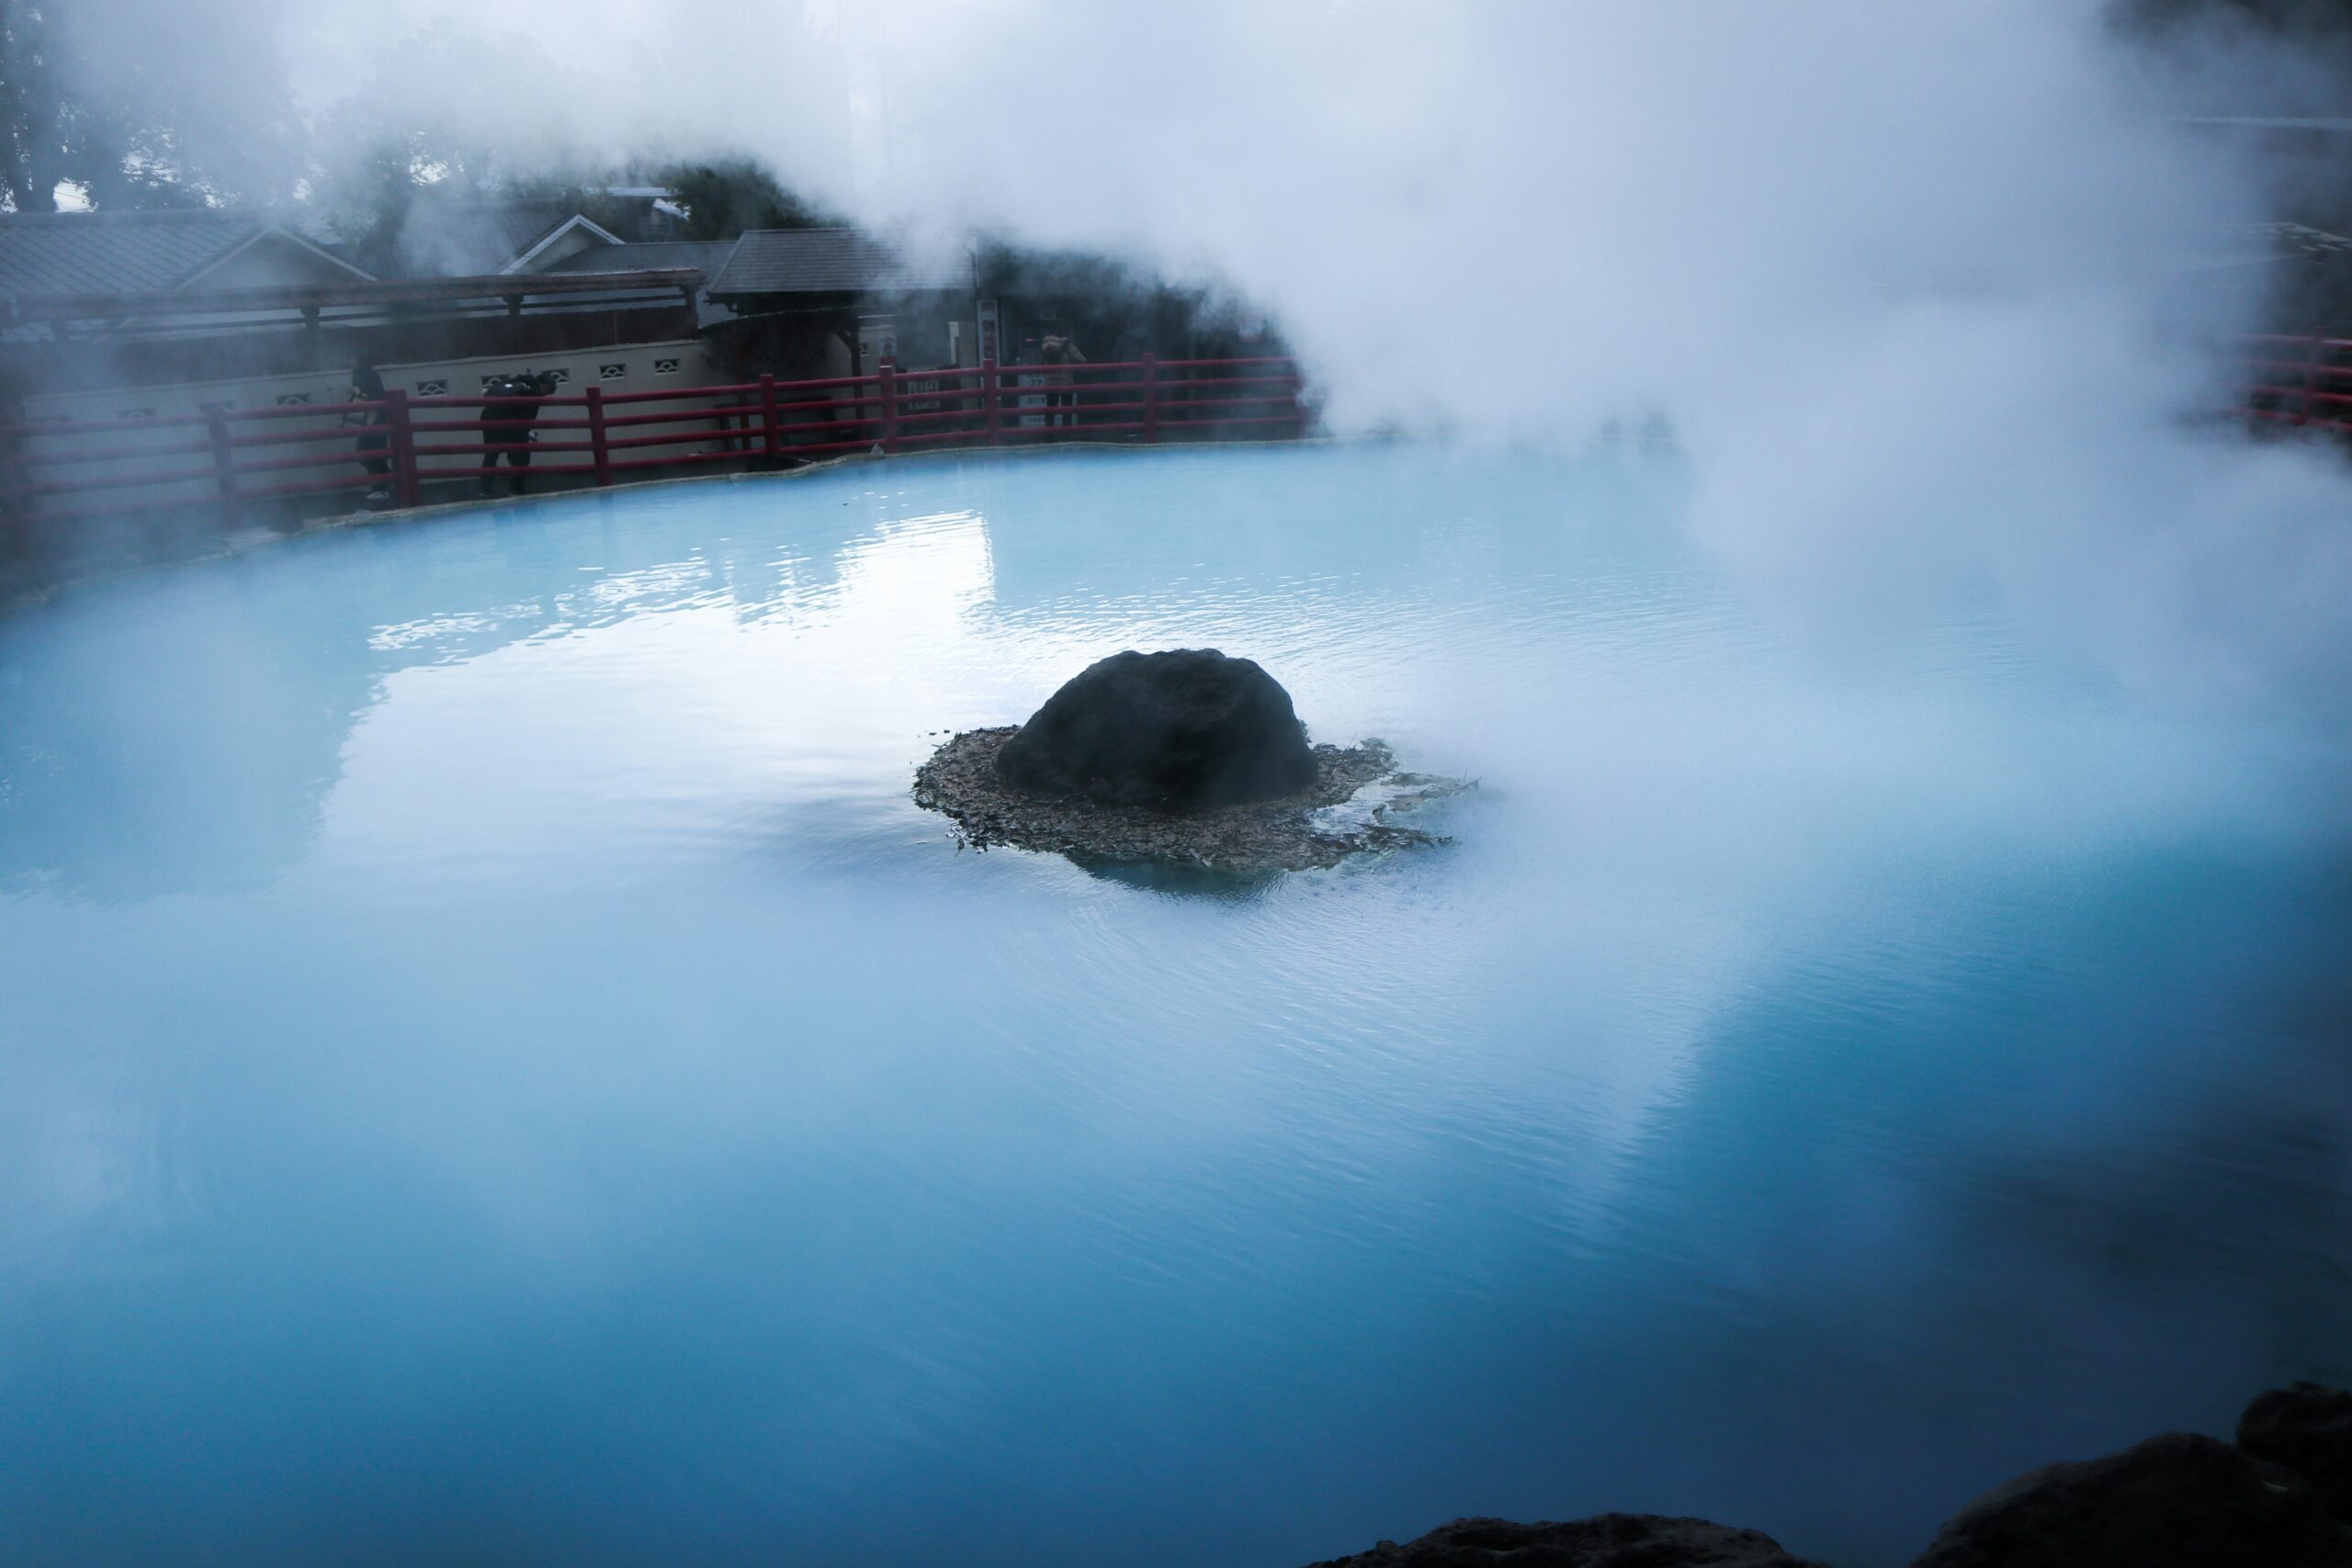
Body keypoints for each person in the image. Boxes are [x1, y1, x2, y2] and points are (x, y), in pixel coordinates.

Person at [480, 370, 558, 496]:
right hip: (510, 422)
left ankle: (484, 490)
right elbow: (528, 419)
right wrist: (526, 433)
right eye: (547, 392)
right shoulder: (534, 393)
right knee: (522, 454)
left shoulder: (516, 381)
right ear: (545, 386)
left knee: (491, 455)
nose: (545, 396)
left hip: (489, 416)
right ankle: (516, 489)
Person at [345, 359, 392, 503]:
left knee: (370, 454)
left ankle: (382, 486)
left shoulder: (368, 375)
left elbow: (375, 398)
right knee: (368, 454)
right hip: (371, 420)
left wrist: (358, 393)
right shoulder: (363, 374)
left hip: (375, 420)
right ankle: (384, 483)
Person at [1039, 333, 1085, 427]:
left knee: (1050, 408)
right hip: (1066, 381)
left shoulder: (1046, 344)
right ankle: (1065, 434)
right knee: (1067, 409)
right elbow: (1081, 360)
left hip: (1050, 383)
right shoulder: (1067, 344)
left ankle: (1049, 434)